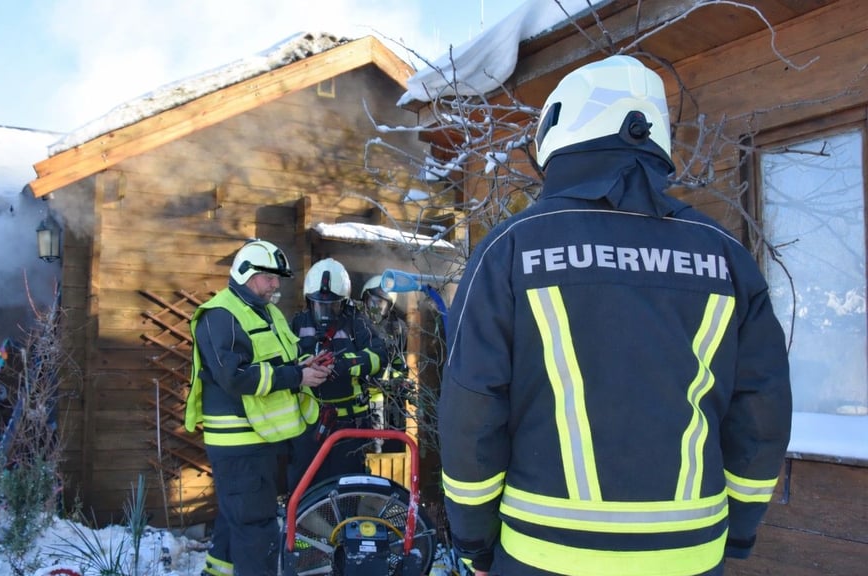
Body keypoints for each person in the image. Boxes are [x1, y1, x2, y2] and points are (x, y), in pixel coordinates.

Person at [438, 55, 792, 576]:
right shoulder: (727, 258)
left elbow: (472, 409)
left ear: (558, 135)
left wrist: (473, 539)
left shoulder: (511, 251)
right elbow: (762, 409)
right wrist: (738, 529)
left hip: (546, 554)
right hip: (689, 553)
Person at [185, 239, 331, 576]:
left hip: (261, 441)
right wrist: (297, 376)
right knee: (256, 530)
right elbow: (234, 377)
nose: (276, 285)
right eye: (270, 278)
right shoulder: (219, 315)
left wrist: (306, 365)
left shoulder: (269, 313)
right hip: (239, 447)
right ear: (248, 274)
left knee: (236, 520)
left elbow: (280, 363)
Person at [289, 258, 387, 486]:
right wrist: (306, 365)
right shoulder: (297, 323)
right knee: (306, 486)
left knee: (347, 487)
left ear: (343, 303)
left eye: (332, 306)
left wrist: (344, 364)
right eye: (318, 305)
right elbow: (286, 359)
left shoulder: (357, 322)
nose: (324, 312)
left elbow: (379, 357)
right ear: (307, 300)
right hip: (309, 426)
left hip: (349, 427)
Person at [360, 274, 412, 453]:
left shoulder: (397, 329)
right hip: (360, 398)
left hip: (386, 399)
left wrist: (398, 381)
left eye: (381, 304)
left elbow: (399, 361)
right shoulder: (354, 325)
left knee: (384, 445)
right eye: (373, 301)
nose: (376, 308)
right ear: (364, 299)